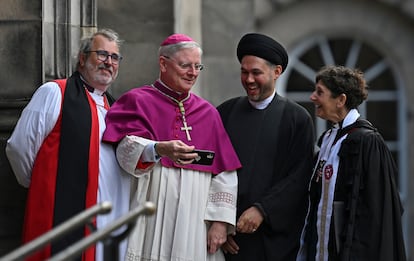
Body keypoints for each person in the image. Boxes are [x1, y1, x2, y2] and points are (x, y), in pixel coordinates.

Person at [102, 33, 241, 261]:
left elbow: (225, 172)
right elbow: (123, 152)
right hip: (150, 212)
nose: (193, 73)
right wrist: (158, 149)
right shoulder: (137, 101)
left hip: (195, 220)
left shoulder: (209, 113)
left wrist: (220, 222)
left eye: (198, 66)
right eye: (185, 65)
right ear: (163, 64)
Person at [5, 28, 130, 261]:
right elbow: (20, 147)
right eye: (101, 54)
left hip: (105, 217)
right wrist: (44, 184)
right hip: (58, 209)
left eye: (114, 57)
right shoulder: (55, 92)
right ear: (82, 58)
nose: (108, 62)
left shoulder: (116, 108)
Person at [217, 33, 315, 260]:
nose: (248, 79)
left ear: (277, 72)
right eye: (244, 72)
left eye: (256, 73)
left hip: (275, 241)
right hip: (229, 239)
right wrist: (220, 223)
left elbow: (298, 177)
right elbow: (214, 170)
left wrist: (263, 209)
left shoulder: (297, 119)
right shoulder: (224, 113)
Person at [296, 65, 406, 260]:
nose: (313, 97)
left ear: (341, 100)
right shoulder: (328, 139)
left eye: (320, 92)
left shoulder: (367, 142)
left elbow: (375, 214)